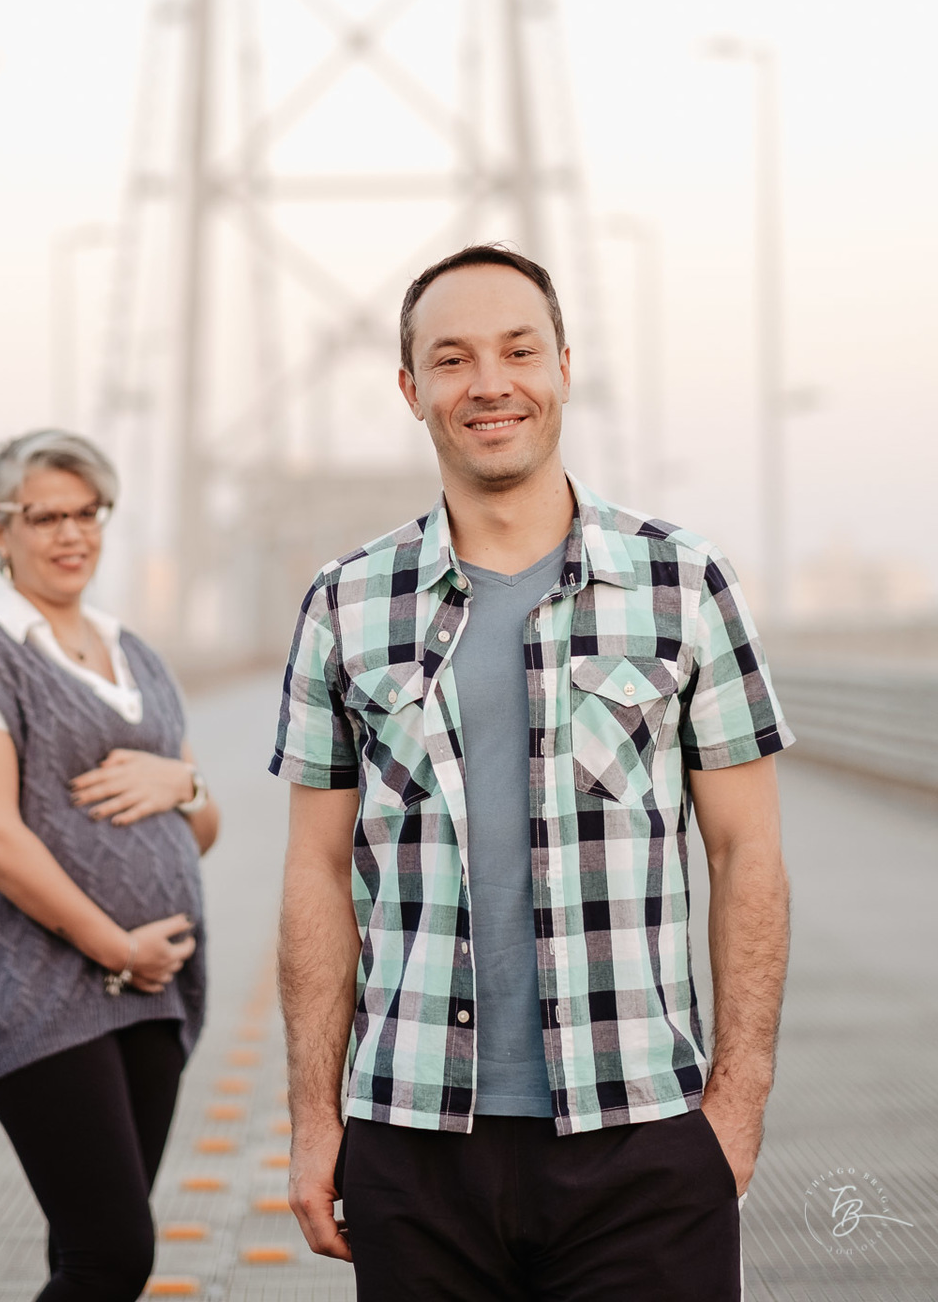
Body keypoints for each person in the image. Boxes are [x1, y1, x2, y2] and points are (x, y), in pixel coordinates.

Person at [272, 245, 795, 1302]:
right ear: (413, 390)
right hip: (413, 1139)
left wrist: (734, 1109)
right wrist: (314, 1121)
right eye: (453, 359)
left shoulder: (682, 582)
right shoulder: (346, 603)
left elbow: (748, 853)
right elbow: (316, 873)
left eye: (518, 351)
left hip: (641, 1136)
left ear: (563, 364)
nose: (490, 382)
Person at [0, 429, 219, 1302]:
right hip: (41, 995)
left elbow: (201, 827)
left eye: (87, 513)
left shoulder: (135, 655)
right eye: (46, 516)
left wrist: (182, 780)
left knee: (87, 1254)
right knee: (113, 1255)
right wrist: (117, 945)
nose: (72, 533)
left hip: (152, 991)